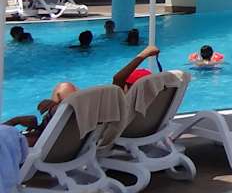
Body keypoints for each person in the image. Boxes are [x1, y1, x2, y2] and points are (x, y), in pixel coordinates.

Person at [5, 45, 161, 145]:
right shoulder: (147, 105)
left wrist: (15, 121)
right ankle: (48, 117)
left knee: (63, 88)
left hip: (58, 139)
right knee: (66, 88)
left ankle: (45, 118)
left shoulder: (117, 106)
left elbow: (118, 78)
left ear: (127, 86)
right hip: (66, 133)